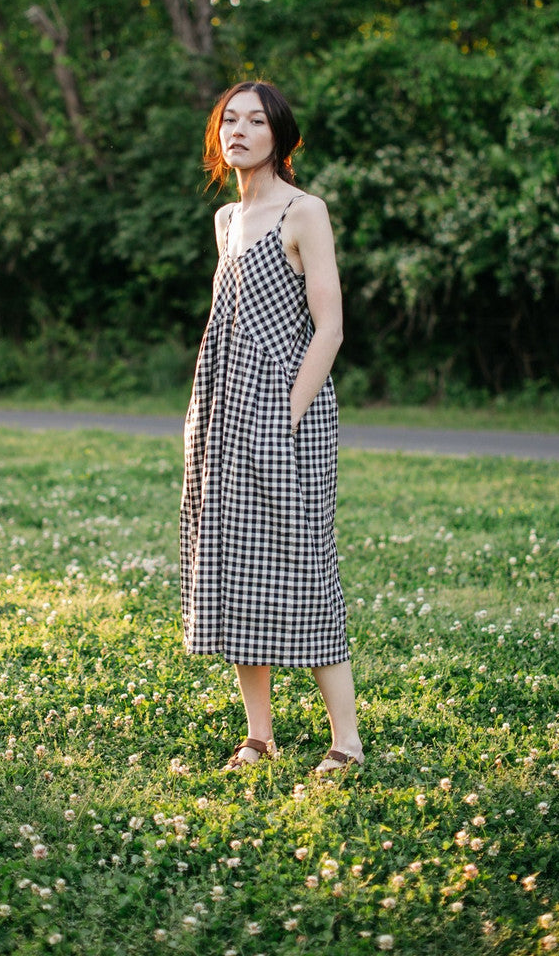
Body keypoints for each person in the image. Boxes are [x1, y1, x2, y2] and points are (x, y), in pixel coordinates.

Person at [179, 80, 364, 773]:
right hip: (220, 415)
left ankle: (345, 741)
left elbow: (330, 328)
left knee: (303, 566)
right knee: (232, 567)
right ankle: (259, 735)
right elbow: (223, 329)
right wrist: (203, 420)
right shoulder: (226, 221)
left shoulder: (303, 211)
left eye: (256, 121)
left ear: (279, 139)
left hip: (287, 413)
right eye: (229, 119)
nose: (239, 130)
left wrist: (282, 416)